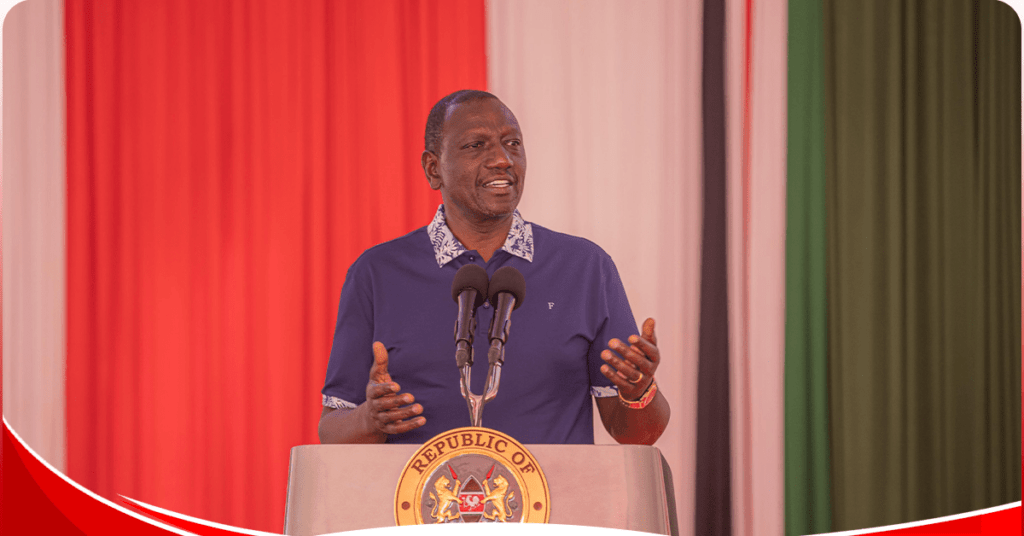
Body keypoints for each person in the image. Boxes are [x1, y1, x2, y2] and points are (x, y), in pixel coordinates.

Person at [318, 90, 669, 446]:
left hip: (557, 501)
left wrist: (638, 390)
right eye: (476, 145)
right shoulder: (378, 273)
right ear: (433, 167)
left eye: (512, 143)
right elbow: (332, 428)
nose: (502, 159)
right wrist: (369, 418)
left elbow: (638, 434)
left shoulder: (584, 268)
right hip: (417, 500)